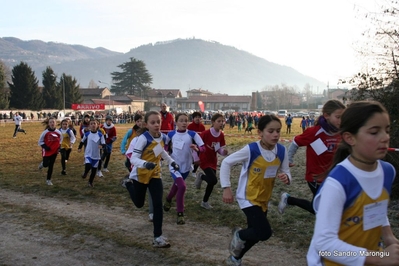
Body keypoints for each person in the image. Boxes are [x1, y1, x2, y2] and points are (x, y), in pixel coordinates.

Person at [307, 101, 399, 265]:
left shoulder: (388, 171)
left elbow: (376, 207)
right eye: (374, 132)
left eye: (387, 130)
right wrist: (379, 258)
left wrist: (389, 237)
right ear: (350, 138)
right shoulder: (338, 183)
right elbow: (324, 245)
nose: (385, 138)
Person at [220, 114, 291, 265]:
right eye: (271, 131)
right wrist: (226, 188)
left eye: (278, 131)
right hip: (247, 198)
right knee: (264, 232)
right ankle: (239, 234)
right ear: (260, 133)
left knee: (256, 233)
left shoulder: (282, 151)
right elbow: (226, 162)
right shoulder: (251, 149)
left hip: (264, 199)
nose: (276, 134)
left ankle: (234, 259)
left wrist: (286, 177)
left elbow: (286, 171)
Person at [122, 111, 179, 248]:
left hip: (155, 174)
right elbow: (134, 158)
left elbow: (161, 151)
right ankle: (129, 184)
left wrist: (172, 162)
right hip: (140, 174)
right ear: (146, 125)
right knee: (139, 203)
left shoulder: (162, 137)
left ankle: (157, 237)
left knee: (158, 204)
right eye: (153, 122)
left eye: (158, 122)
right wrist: (145, 164)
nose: (156, 125)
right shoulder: (143, 138)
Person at [278, 100, 346, 215]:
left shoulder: (341, 132)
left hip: (333, 176)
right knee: (319, 208)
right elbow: (295, 142)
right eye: (338, 117)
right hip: (315, 177)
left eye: (343, 117)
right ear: (326, 116)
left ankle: (289, 199)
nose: (341, 121)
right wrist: (289, 159)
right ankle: (288, 199)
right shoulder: (314, 132)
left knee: (325, 207)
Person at [163, 113, 205, 224]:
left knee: (177, 186)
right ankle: (180, 213)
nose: (184, 123)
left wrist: (196, 148)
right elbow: (165, 146)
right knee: (182, 187)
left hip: (186, 167)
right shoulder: (171, 134)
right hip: (174, 166)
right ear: (176, 122)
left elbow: (203, 147)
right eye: (181, 120)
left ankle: (168, 199)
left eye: (186, 120)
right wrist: (165, 153)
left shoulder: (192, 134)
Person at [195, 113, 228, 209]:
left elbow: (219, 149)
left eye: (222, 121)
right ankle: (201, 176)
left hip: (213, 160)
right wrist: (196, 158)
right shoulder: (205, 134)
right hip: (204, 160)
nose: (221, 123)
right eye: (219, 121)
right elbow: (197, 146)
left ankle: (204, 202)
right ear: (213, 122)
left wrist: (224, 152)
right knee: (214, 180)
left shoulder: (221, 135)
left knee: (211, 182)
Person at [78, 118, 106, 188]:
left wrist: (101, 146)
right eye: (91, 124)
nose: (93, 125)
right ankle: (85, 173)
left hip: (96, 155)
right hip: (88, 154)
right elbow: (82, 141)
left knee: (94, 171)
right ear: (89, 126)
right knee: (88, 165)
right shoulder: (87, 134)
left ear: (97, 125)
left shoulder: (100, 135)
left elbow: (104, 143)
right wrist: (79, 148)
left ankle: (90, 182)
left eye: (94, 123)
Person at [38, 117, 62, 186]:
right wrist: (45, 147)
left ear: (56, 123)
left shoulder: (58, 132)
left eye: (53, 122)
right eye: (51, 122)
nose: (52, 123)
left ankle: (48, 180)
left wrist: (59, 148)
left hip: (54, 152)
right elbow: (40, 141)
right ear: (48, 124)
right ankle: (43, 164)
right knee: (46, 164)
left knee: (51, 166)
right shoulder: (45, 132)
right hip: (46, 151)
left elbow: (60, 140)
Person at [187, 111, 206, 176]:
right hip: (191, 144)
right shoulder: (190, 126)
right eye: (196, 117)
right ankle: (190, 166)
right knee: (190, 157)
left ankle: (194, 171)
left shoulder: (202, 126)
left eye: (199, 117)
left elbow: (203, 136)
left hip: (199, 145)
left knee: (198, 158)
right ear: (193, 118)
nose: (197, 118)